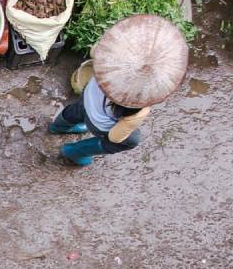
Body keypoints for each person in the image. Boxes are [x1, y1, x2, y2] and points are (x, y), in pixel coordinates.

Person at [48, 14, 189, 167]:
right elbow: (115, 137)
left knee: (76, 110)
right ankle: (74, 151)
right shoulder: (138, 109)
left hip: (88, 95)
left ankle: (57, 127)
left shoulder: (108, 55)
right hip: (98, 122)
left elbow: (95, 51)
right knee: (131, 141)